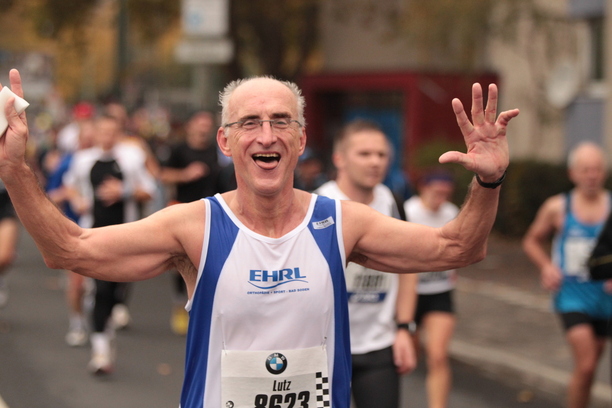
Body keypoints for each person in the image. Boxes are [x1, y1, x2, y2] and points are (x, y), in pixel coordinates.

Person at [0, 69, 518, 407]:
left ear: (301, 138)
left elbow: (458, 247)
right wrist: (14, 170)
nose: (266, 135)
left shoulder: (341, 222)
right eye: (250, 123)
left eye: (280, 122)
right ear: (225, 141)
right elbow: (69, 249)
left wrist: (489, 181)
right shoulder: (193, 226)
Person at [315, 119, 417, 408]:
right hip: (323, 348)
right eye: (364, 154)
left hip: (378, 345)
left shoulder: (393, 202)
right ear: (339, 158)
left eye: (382, 154)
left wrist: (404, 328)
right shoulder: (316, 204)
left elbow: (408, 268)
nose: (375, 162)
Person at [62, 114, 157, 373]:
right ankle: (100, 352)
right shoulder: (84, 160)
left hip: (126, 235)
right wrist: (78, 201)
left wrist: (123, 191)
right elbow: (70, 186)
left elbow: (150, 190)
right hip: (93, 234)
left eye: (112, 131)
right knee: (100, 289)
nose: (107, 136)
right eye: (102, 131)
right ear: (94, 133)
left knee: (117, 290)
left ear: (119, 133)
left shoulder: (131, 158)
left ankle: (110, 320)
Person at [522, 142, 612, 408]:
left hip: (605, 297)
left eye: (597, 169)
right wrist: (546, 266)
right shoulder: (558, 207)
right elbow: (531, 240)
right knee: (586, 364)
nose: (592, 175)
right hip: (572, 296)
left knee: (590, 368)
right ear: (573, 173)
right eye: (585, 170)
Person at [159, 110, 222, 336]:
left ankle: (203, 308)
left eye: (208, 124)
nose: (204, 128)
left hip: (210, 212)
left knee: (206, 261)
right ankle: (180, 304)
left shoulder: (217, 150)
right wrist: (185, 174)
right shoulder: (178, 149)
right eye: (200, 124)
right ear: (190, 126)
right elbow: (163, 175)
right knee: (182, 261)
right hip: (184, 210)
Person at [404, 170, 459, 408]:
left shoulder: (452, 213)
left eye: (446, 194)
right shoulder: (408, 211)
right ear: (423, 188)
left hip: (440, 292)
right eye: (437, 192)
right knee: (411, 354)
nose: (441, 199)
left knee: (438, 355)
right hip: (409, 295)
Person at [46, 119, 96, 346]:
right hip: (74, 229)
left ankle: (99, 321)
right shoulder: (68, 163)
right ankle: (77, 322)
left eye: (92, 138)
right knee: (77, 283)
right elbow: (50, 196)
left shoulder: (111, 159)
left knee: (98, 283)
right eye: (85, 138)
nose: (89, 142)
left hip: (101, 227)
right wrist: (69, 195)